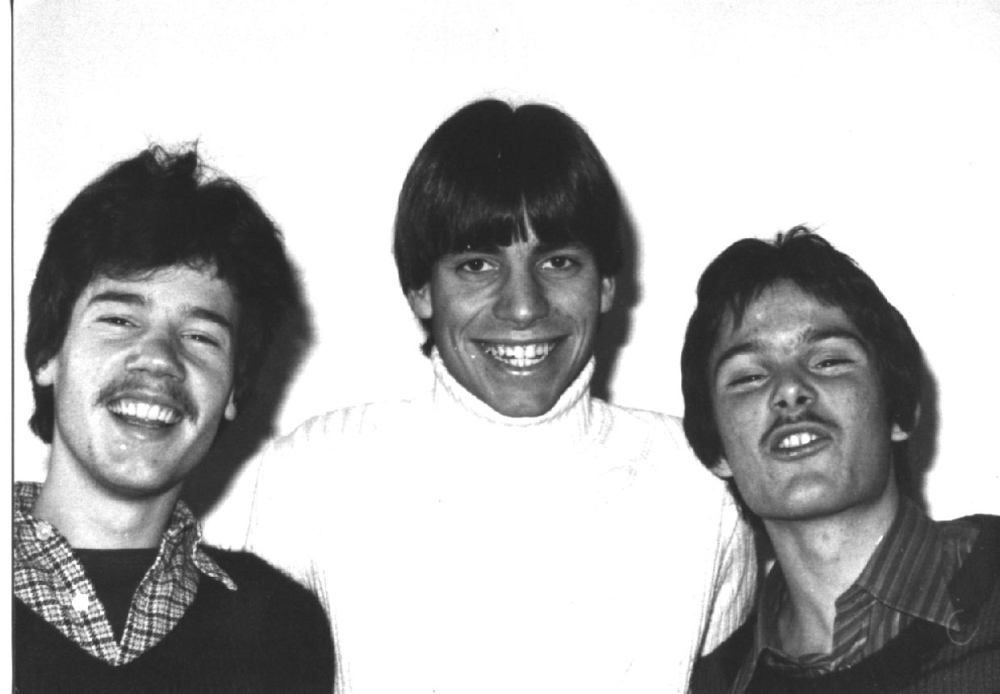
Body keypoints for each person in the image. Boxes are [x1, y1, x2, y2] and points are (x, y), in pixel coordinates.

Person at [202, 98, 755, 693]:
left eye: (559, 262)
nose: (523, 307)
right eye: (477, 265)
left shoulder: (699, 483)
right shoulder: (314, 472)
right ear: (421, 290)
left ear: (606, 284)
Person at [14, 146, 334, 692]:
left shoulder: (281, 629)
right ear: (49, 355)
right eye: (119, 320)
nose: (160, 358)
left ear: (231, 392)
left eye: (200, 336)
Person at [681, 227, 1000, 693]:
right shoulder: (717, 685)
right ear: (716, 452)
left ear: (900, 411)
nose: (790, 389)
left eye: (828, 361)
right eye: (748, 376)